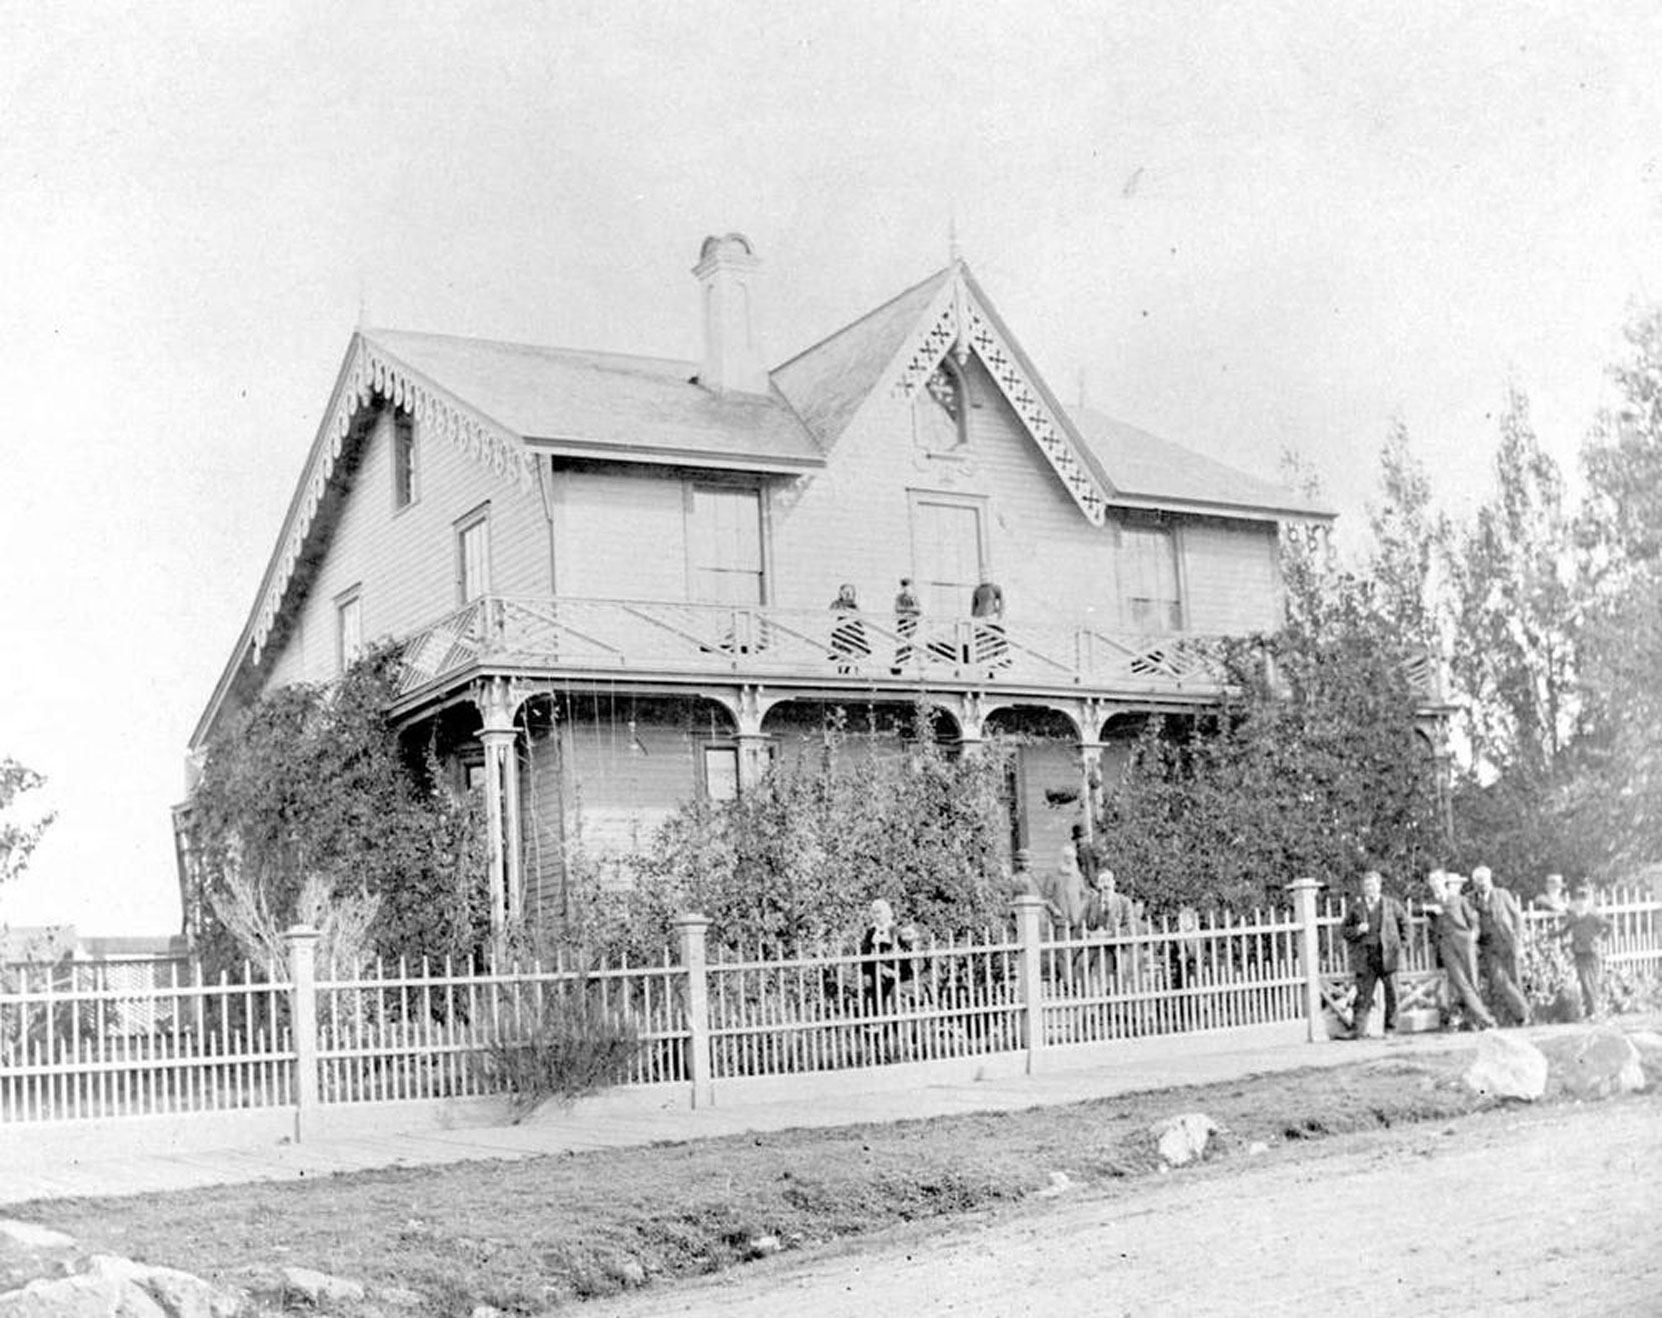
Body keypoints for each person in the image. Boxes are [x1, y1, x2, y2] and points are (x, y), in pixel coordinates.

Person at [1422, 869, 1496, 1031]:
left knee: (1472, 981)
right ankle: (1486, 1020)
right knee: (1461, 983)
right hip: (1446, 945)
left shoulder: (1459, 900)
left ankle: (1476, 1021)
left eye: (1437, 879)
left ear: (1444, 881)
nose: (1434, 882)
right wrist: (1430, 910)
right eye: (1431, 880)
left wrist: (1473, 935)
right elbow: (1413, 911)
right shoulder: (1429, 903)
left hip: (1464, 941)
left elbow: (1473, 921)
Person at [1340, 870, 1409, 1038]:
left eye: (1372, 885)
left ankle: (1390, 1029)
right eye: (1366, 885)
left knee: (1392, 994)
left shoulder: (1392, 905)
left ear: (1379, 886)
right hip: (1366, 957)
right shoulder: (1356, 907)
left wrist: (1401, 946)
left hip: (1388, 956)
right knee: (1363, 995)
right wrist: (1357, 930)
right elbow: (1344, 930)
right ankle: (1358, 1030)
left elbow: (1406, 925)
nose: (1369, 889)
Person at [1470, 864, 1531, 1026]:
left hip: (1507, 943)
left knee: (1515, 980)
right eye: (1477, 881)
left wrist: (1518, 941)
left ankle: (1521, 1018)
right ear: (1474, 883)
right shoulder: (1471, 899)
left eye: (1483, 880)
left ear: (1490, 880)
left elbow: (1518, 918)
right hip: (1489, 947)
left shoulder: (1502, 895)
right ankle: (1524, 1010)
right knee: (1499, 980)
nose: (1481, 884)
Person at [1561, 885, 1611, 1019]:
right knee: (1584, 981)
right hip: (1579, 952)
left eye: (1584, 898)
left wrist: (1602, 938)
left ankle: (1593, 1011)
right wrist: (1551, 935)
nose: (1581, 902)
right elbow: (1564, 930)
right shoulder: (1573, 917)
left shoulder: (1594, 916)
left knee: (1592, 981)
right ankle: (1591, 1010)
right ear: (1575, 901)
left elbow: (1609, 925)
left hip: (1593, 952)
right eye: (1579, 899)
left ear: (1588, 901)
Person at [828, 583, 870, 674]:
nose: (847, 594)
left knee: (852, 649)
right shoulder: (837, 603)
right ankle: (840, 669)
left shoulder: (853, 604)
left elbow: (857, 614)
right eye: (844, 592)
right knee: (841, 650)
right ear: (840, 593)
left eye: (849, 593)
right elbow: (832, 611)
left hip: (853, 629)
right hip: (841, 629)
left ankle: (849, 669)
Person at [970, 579, 1007, 674]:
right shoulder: (977, 589)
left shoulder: (995, 588)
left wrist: (1000, 616)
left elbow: (1002, 602)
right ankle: (981, 662)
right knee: (981, 640)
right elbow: (973, 606)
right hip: (980, 617)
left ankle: (1000, 658)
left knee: (998, 636)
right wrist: (973, 618)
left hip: (991, 616)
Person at [890, 577, 920, 673]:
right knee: (901, 643)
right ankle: (899, 664)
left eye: (907, 586)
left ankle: (907, 663)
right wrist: (908, 610)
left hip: (911, 623)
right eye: (904, 586)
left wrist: (907, 610)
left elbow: (918, 610)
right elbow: (897, 608)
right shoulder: (900, 597)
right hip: (903, 622)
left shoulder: (914, 597)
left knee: (910, 642)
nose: (906, 589)